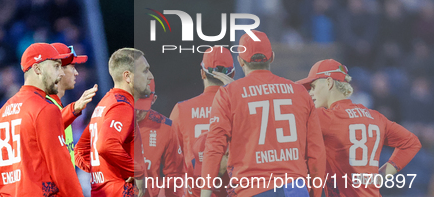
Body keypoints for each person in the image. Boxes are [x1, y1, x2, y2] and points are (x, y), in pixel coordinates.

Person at [201, 30, 325, 197]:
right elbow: (316, 151)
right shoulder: (300, 92)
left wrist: (205, 193)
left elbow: (214, 147)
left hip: (252, 188)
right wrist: (316, 193)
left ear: (240, 61)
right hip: (295, 189)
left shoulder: (228, 94)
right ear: (272, 57)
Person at [296, 59, 422, 196]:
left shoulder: (323, 117)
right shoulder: (375, 116)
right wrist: (381, 175)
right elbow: (411, 143)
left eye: (313, 87)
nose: (311, 93)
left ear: (329, 83)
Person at [0, 43, 83, 196]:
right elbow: (62, 170)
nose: (61, 74)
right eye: (56, 67)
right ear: (37, 69)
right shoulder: (44, 109)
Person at [74, 48, 153, 197]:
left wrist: (105, 172)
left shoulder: (104, 104)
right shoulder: (122, 107)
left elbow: (79, 150)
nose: (150, 77)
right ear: (128, 77)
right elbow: (106, 144)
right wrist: (138, 171)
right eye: (145, 71)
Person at [169, 46, 235, 197]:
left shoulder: (181, 110)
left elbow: (171, 160)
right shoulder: (242, 106)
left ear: (202, 74)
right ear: (233, 73)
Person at [49, 43, 98, 166]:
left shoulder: (58, 104)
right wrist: (74, 109)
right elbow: (48, 126)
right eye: (72, 67)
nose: (76, 73)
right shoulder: (44, 104)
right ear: (58, 69)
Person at [136, 79, 184, 197]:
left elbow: (175, 174)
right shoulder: (114, 120)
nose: (137, 110)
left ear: (154, 99)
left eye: (144, 103)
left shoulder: (165, 127)